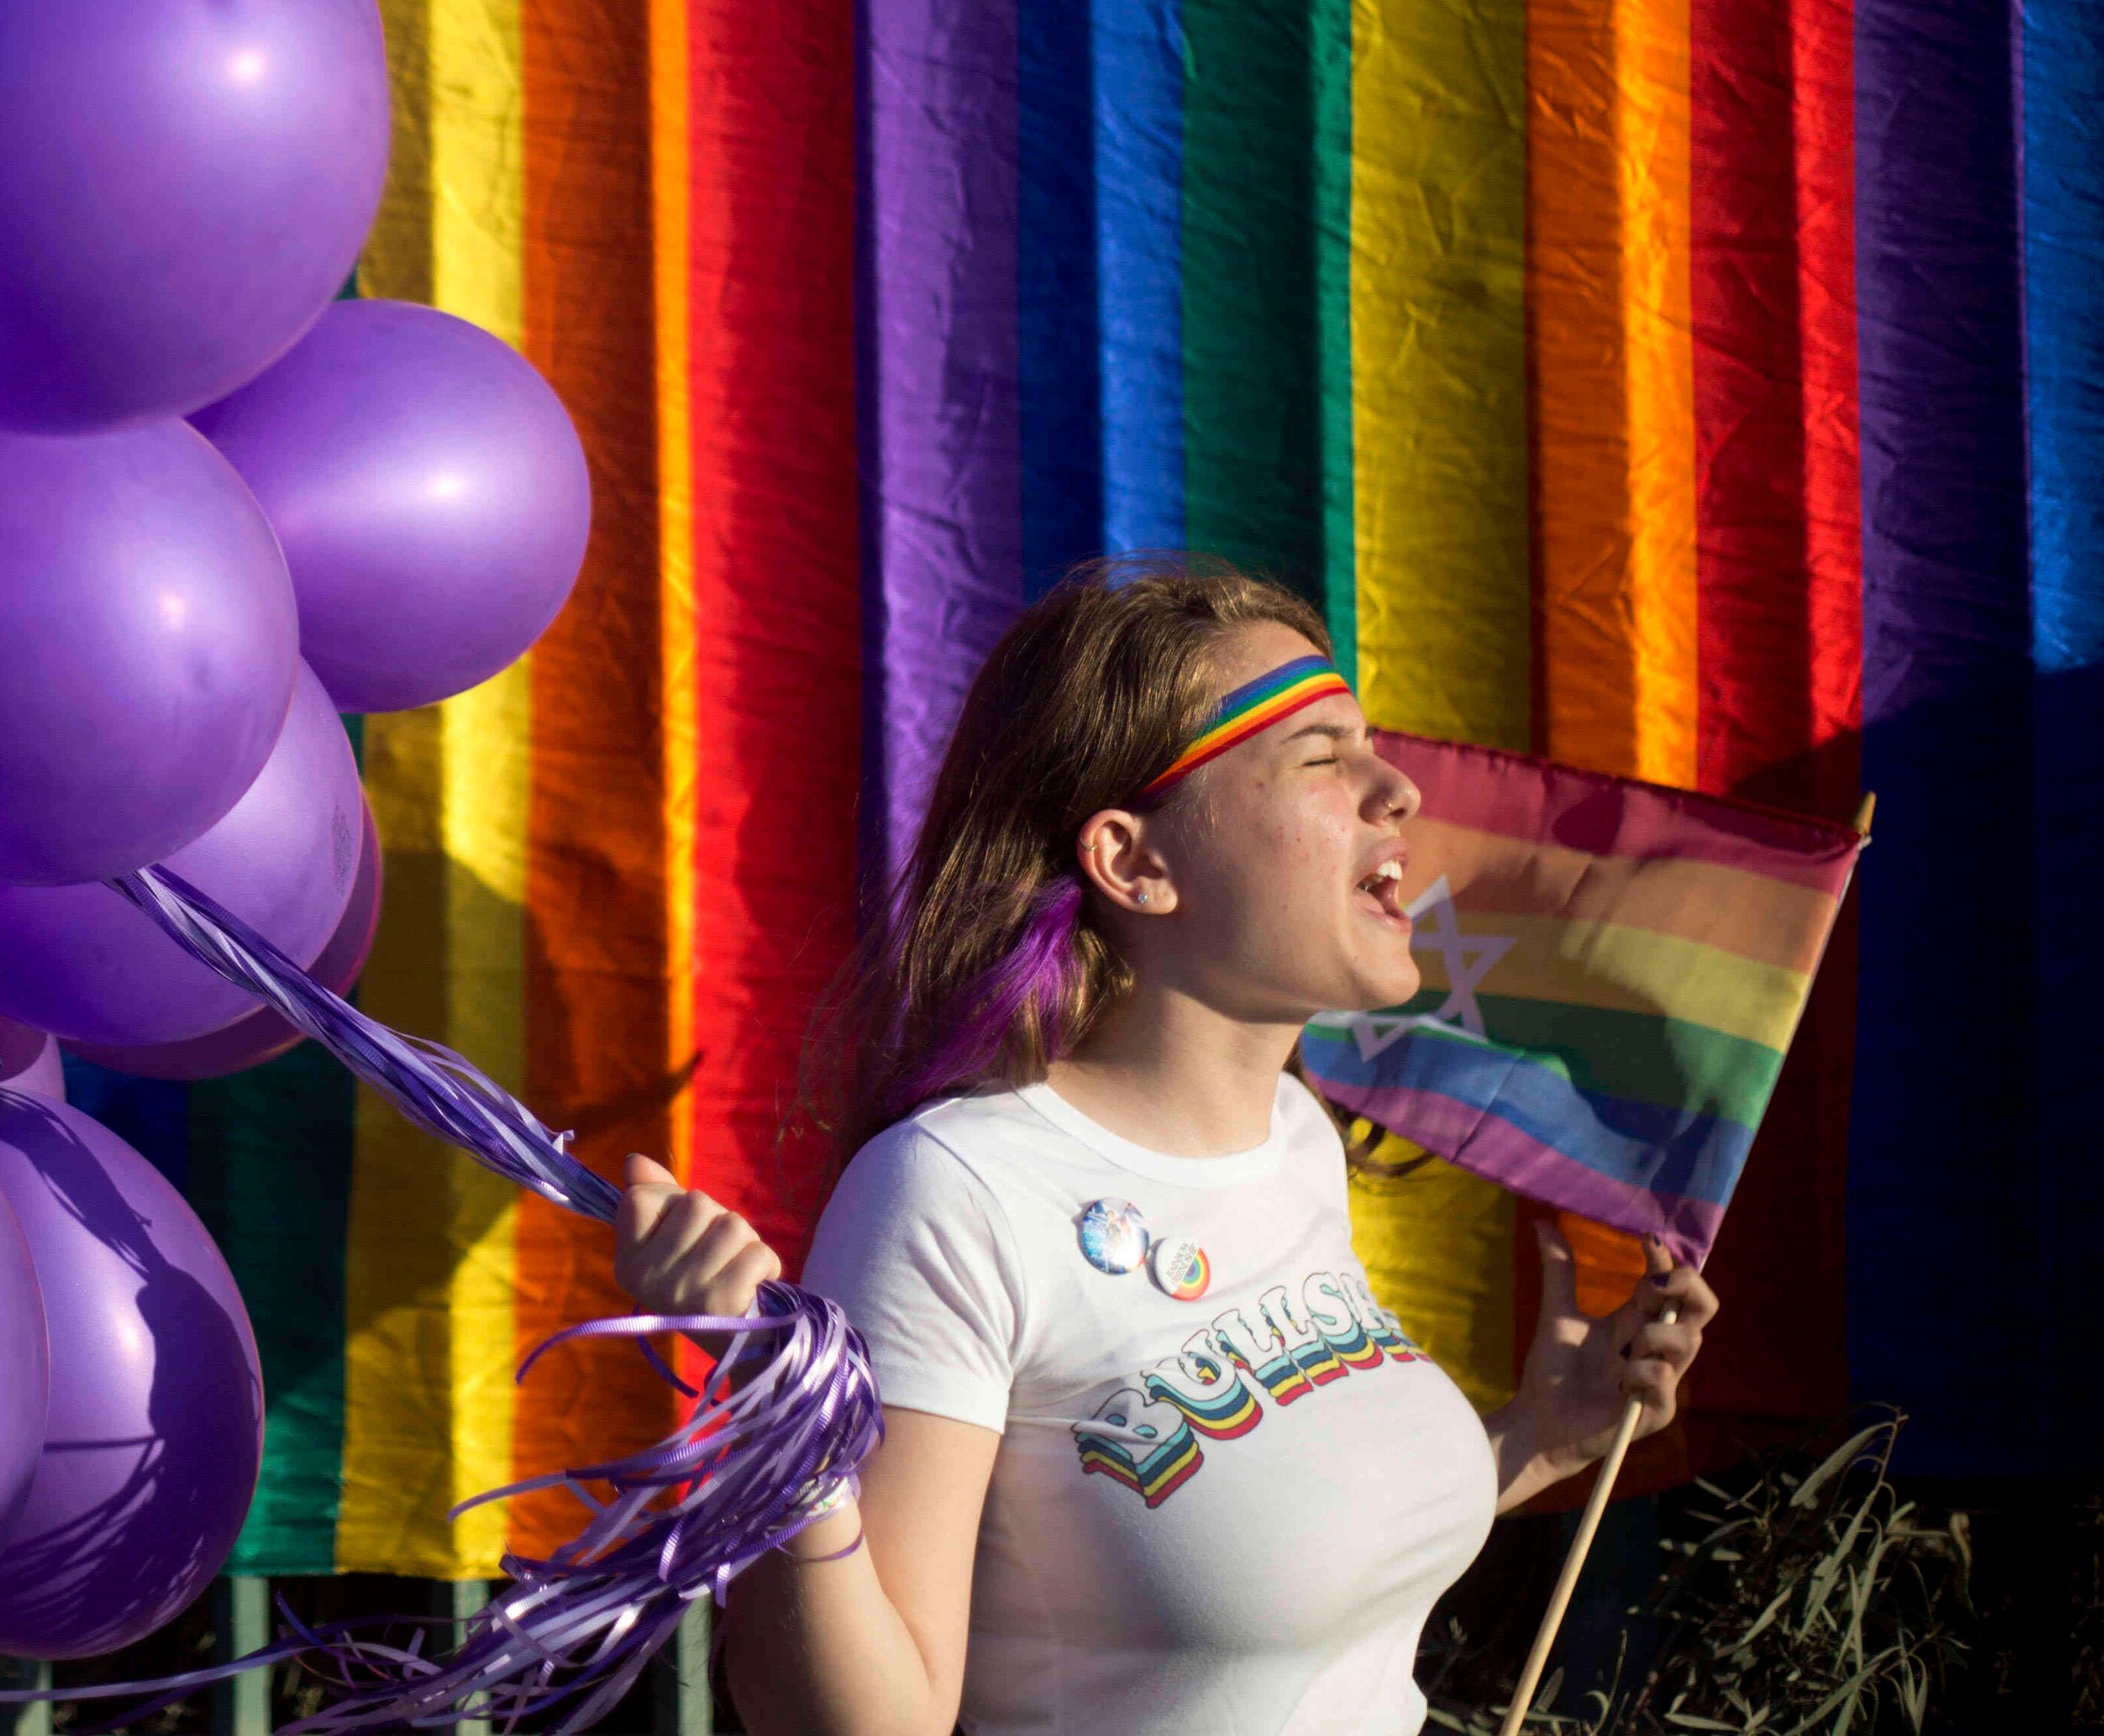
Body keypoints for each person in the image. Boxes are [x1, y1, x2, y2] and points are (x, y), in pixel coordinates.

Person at [609, 561, 1718, 1736]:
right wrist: (790, 1432)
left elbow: (1258, 1571)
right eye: (1321, 757)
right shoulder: (955, 1189)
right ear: (1135, 860)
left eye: (1371, 745)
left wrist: (1542, 1436)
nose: (1396, 787)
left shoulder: (1296, 1139)